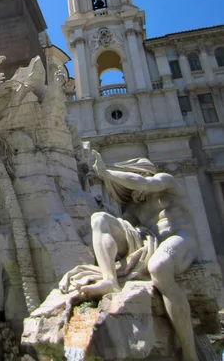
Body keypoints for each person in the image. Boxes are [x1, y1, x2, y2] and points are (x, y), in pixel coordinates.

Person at [59, 153, 199, 361]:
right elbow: (122, 226)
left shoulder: (165, 183)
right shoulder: (134, 208)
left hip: (180, 239)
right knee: (100, 219)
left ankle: (190, 352)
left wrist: (107, 173)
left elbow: (144, 183)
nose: (131, 193)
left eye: (130, 184)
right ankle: (109, 280)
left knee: (159, 267)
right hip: (150, 241)